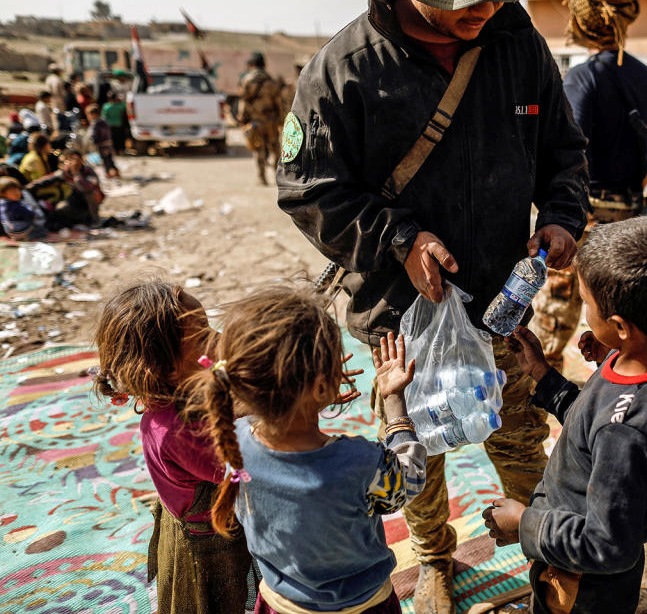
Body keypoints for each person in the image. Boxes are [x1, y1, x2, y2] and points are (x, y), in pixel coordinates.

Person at [276, 0, 589, 611]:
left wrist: (561, 214)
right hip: (400, 318)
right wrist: (402, 240)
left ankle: (546, 548)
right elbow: (308, 192)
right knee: (416, 452)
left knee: (520, 434)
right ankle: (435, 561)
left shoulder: (519, 44)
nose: (487, 8)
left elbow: (564, 151)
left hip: (503, 306)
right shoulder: (345, 69)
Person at [483, 216, 647, 614]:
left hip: (584, 585)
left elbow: (605, 546)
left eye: (585, 301)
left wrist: (526, 524)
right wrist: (544, 377)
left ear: (619, 325)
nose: (582, 308)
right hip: (569, 560)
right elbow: (590, 425)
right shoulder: (639, 362)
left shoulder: (626, 432)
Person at [186, 286, 426, 614]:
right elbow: (407, 483)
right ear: (323, 386)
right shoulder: (358, 462)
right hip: (363, 607)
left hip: (279, 604)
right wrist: (394, 402)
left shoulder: (232, 440)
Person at [92, 281, 252, 614]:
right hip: (209, 544)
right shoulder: (178, 431)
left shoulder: (182, 387)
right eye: (203, 335)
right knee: (218, 603)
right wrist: (294, 406)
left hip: (205, 520)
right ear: (164, 368)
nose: (219, 339)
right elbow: (249, 470)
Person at [529, 0, 647, 372]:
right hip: (631, 215)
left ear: (585, 20)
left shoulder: (584, 77)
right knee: (618, 315)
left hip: (584, 216)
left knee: (552, 323)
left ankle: (543, 398)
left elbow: (570, 155)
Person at [237, 52, 283, 185]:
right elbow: (279, 102)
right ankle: (278, 178)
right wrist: (281, 119)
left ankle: (262, 178)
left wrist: (242, 117)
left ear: (252, 64)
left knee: (259, 149)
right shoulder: (271, 81)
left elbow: (244, 101)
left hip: (255, 121)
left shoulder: (247, 80)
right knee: (275, 149)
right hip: (271, 121)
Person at [29, 148, 104, 227]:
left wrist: (76, 173)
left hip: (93, 199)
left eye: (75, 159)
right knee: (61, 208)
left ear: (81, 160)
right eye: (69, 160)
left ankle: (95, 220)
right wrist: (31, 186)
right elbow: (49, 179)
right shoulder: (66, 172)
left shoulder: (88, 171)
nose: (73, 162)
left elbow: (85, 187)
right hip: (77, 199)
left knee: (89, 194)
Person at [87, 104, 119, 178]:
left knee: (105, 160)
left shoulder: (96, 123)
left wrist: (93, 141)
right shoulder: (104, 121)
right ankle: (116, 172)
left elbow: (94, 135)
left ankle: (108, 173)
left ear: (93, 114)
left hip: (101, 144)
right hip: (108, 143)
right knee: (110, 159)